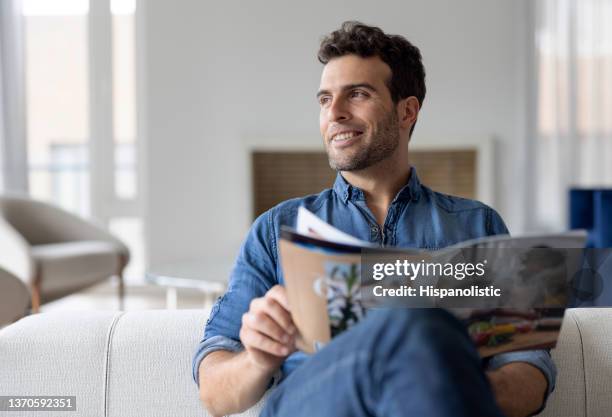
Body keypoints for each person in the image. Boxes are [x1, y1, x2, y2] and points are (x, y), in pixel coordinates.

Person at [192, 21, 555, 417]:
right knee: (413, 324)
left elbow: (529, 374)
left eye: (357, 94)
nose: (335, 113)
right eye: (324, 99)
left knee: (420, 332)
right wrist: (258, 358)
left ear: (407, 110)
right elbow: (214, 392)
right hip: (313, 402)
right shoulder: (276, 230)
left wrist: (435, 375)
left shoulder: (478, 226)